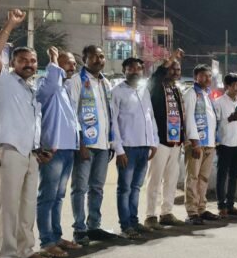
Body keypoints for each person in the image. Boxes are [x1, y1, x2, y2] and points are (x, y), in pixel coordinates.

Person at [0, 9, 52, 258]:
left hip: (30, 155)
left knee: (27, 207)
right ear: (13, 63)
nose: (29, 64)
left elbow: (32, 123)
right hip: (10, 151)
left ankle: (27, 250)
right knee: (10, 209)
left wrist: (40, 149)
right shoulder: (2, 80)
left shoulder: (31, 88)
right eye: (23, 60)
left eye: (33, 60)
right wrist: (10, 25)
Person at [66, 45, 116, 244]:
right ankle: (79, 229)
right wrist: (80, 143)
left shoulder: (106, 83)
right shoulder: (76, 81)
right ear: (84, 59)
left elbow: (109, 115)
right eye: (94, 56)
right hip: (86, 144)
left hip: (103, 145)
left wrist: (111, 142)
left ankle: (94, 225)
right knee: (80, 188)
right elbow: (71, 114)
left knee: (97, 187)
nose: (99, 59)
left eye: (102, 56)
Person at [36, 47, 81, 258]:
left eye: (74, 63)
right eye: (68, 62)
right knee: (47, 196)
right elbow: (50, 84)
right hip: (53, 149)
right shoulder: (47, 87)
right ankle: (46, 241)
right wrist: (53, 60)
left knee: (59, 196)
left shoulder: (64, 89)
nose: (73, 66)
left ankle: (56, 235)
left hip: (68, 149)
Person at [111, 57, 159, 239]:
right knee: (125, 188)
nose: (136, 71)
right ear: (124, 70)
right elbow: (113, 122)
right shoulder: (117, 92)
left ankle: (134, 220)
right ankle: (126, 226)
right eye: (131, 68)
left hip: (144, 147)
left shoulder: (144, 90)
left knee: (136, 187)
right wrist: (119, 149)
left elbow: (150, 117)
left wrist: (153, 141)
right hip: (128, 148)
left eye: (139, 68)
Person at [145, 48, 187, 229]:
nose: (175, 72)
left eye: (178, 70)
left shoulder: (176, 90)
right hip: (160, 140)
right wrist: (171, 58)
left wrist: (183, 138)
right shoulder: (156, 85)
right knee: (155, 179)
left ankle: (167, 212)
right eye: (172, 69)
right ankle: (150, 215)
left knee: (171, 179)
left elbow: (180, 114)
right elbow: (158, 73)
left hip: (176, 142)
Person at [182, 64, 220, 225]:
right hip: (196, 143)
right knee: (192, 177)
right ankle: (192, 212)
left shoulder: (207, 95)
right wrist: (195, 143)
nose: (207, 79)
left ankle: (201, 208)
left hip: (209, 143)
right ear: (196, 77)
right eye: (204, 76)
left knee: (203, 178)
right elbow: (189, 118)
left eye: (209, 76)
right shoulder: (191, 94)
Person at [215, 73, 237, 217]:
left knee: (234, 176)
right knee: (222, 176)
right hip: (225, 143)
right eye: (235, 86)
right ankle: (221, 206)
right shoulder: (219, 102)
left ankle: (230, 205)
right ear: (227, 86)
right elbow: (215, 124)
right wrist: (229, 119)